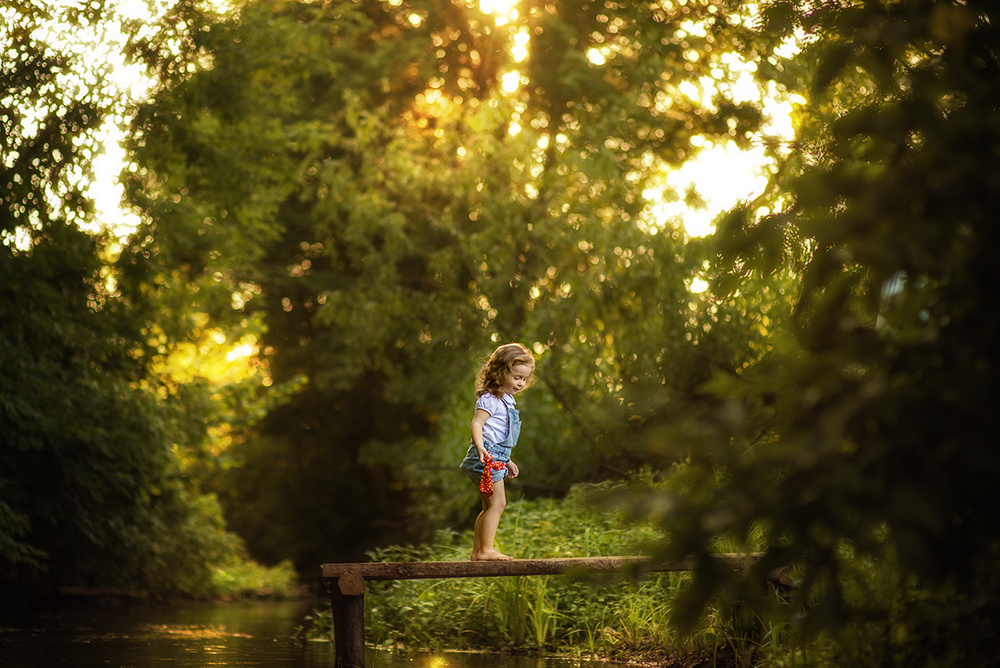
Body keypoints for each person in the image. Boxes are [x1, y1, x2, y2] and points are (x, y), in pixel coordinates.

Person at [459, 342, 535, 561]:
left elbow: (499, 436)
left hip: (496, 456)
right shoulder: (490, 400)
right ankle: (486, 550)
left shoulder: (507, 401)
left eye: (524, 379)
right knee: (498, 503)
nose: (521, 383)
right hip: (486, 456)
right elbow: (477, 425)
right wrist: (481, 447)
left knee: (487, 506)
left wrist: (508, 461)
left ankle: (477, 552)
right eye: (516, 377)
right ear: (501, 373)